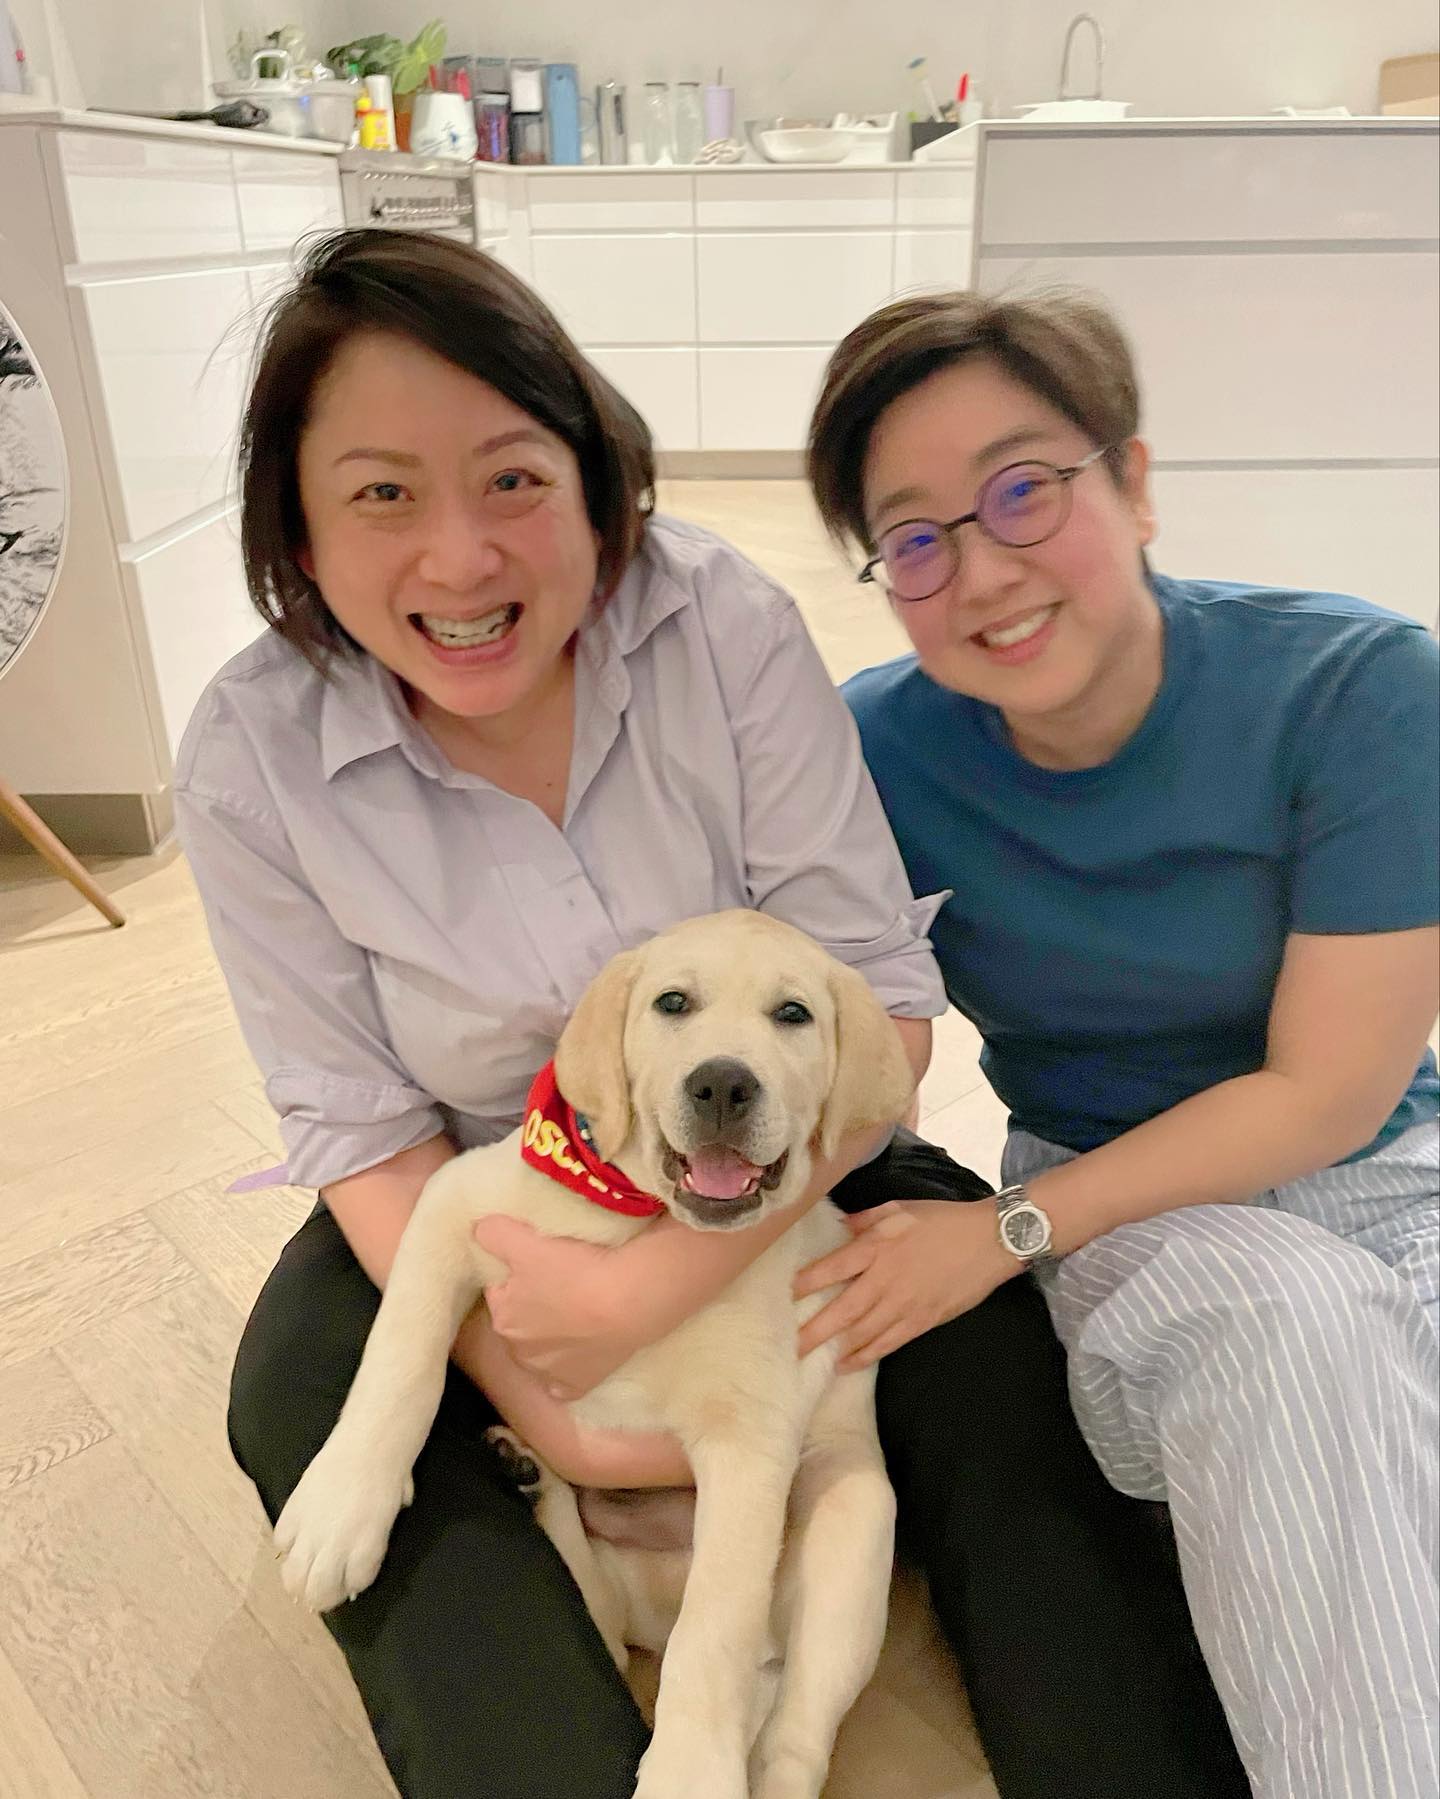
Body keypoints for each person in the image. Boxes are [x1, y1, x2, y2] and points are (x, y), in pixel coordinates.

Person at [177, 229, 1246, 1799]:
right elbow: (360, 1130)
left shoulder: (718, 621)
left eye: (513, 479)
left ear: (596, 478)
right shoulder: (250, 755)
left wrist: (647, 1308)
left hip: (797, 1165)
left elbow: (878, 1010)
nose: (461, 560)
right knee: (305, 1401)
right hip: (483, 1183)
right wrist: (558, 1408)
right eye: (382, 493)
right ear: (298, 529)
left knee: (1002, 1376)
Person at [799, 285, 1440, 1799]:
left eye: (1023, 490)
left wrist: (996, 1235)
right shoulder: (871, 750)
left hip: (1389, 1173)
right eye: (914, 539)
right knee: (1286, 1331)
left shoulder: (1357, 690)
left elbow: (1329, 1092)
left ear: (1135, 483)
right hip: (1123, 1211)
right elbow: (834, 1031)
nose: (981, 571)